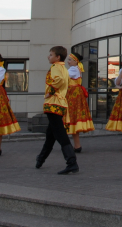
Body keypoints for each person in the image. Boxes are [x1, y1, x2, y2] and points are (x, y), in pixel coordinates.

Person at [36, 46, 79, 174]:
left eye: (50, 54)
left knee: (60, 134)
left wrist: (51, 91)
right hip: (60, 104)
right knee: (51, 134)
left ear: (57, 57)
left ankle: (72, 162)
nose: (48, 57)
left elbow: (58, 81)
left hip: (53, 103)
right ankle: (40, 159)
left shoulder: (55, 67)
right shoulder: (64, 69)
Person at [63, 52, 95, 152]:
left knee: (72, 117)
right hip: (75, 94)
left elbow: (63, 77)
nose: (68, 62)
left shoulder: (73, 69)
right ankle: (76, 145)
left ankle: (75, 145)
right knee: (73, 118)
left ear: (75, 61)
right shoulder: (77, 69)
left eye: (70, 60)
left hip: (73, 95)